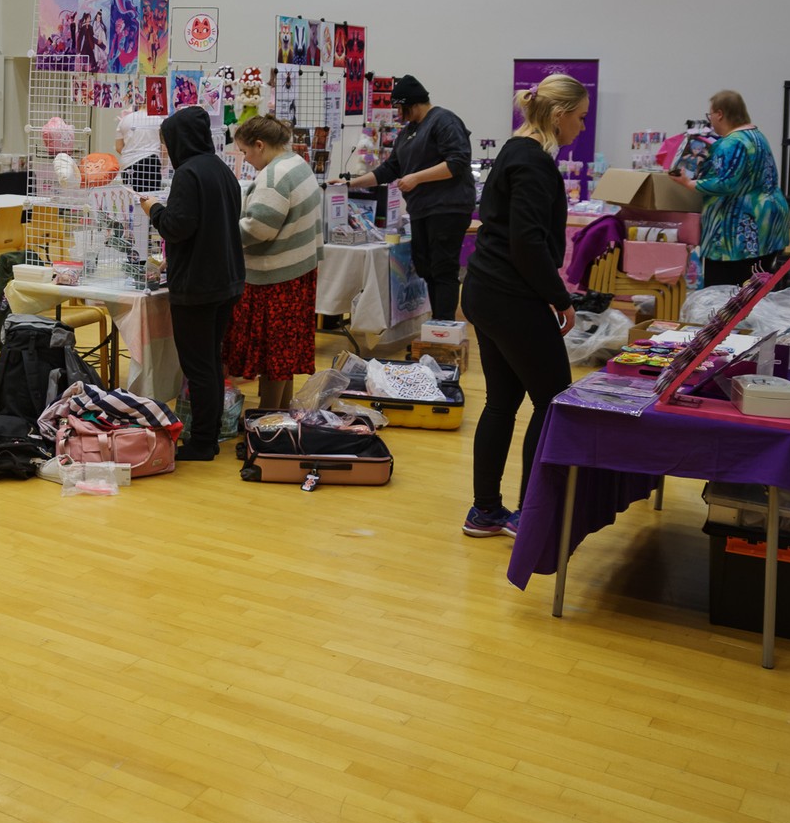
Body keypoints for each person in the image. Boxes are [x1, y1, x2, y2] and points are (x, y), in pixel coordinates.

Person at [457, 74, 586, 538]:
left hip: (487, 290)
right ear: (558, 115)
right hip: (509, 296)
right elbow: (527, 241)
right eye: (579, 118)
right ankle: (532, 517)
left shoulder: (515, 151)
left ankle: (486, 511)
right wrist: (559, 297)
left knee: (502, 402)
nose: (581, 127)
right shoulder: (533, 162)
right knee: (553, 401)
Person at [142, 106, 245, 461]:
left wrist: (154, 209)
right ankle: (208, 435)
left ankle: (202, 442)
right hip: (225, 280)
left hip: (199, 285)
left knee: (199, 367)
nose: (165, 149)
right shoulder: (222, 170)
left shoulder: (188, 174)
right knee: (210, 362)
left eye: (167, 142)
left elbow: (177, 227)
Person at [345, 75, 473, 321]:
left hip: (447, 208)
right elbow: (388, 169)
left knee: (443, 268)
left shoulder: (444, 121)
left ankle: (444, 325)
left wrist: (416, 178)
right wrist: (350, 183)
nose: (397, 114)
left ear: (410, 104)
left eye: (398, 108)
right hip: (422, 208)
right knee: (426, 267)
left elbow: (457, 162)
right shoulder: (408, 132)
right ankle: (437, 322)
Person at [224, 115, 323, 412]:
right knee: (284, 353)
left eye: (245, 152)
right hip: (298, 269)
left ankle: (267, 417)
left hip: (275, 278)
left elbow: (258, 229)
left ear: (260, 145)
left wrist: (222, 232)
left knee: (272, 354)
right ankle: (279, 412)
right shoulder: (297, 163)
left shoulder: (273, 177)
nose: (245, 159)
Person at [671, 90, 789, 288]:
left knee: (725, 293)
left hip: (737, 234)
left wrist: (688, 183)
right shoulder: (757, 136)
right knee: (756, 289)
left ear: (720, 114)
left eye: (710, 115)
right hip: (769, 223)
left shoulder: (731, 143)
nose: (710, 120)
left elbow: (725, 183)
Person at [115, 108, 167, 193]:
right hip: (151, 163)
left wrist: (132, 153)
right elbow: (164, 149)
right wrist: (164, 164)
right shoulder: (159, 120)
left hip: (128, 164)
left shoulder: (125, 120)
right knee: (150, 197)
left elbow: (118, 147)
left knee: (131, 197)